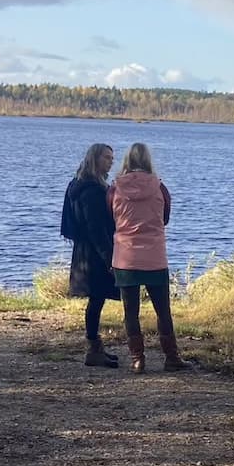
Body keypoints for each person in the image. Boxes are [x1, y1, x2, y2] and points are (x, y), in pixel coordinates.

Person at [108, 142, 185, 374]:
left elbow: (110, 217)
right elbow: (165, 218)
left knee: (130, 312)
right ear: (148, 161)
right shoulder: (160, 188)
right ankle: (171, 357)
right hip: (154, 256)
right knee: (163, 310)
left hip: (125, 256)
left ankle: (137, 359)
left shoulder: (114, 189)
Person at [60, 143, 121, 368]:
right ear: (95, 159)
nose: (111, 162)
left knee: (97, 299)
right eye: (106, 157)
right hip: (94, 252)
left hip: (84, 249)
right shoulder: (92, 191)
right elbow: (95, 227)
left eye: (112, 158)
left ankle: (95, 347)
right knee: (96, 299)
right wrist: (108, 257)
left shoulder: (77, 184)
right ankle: (93, 349)